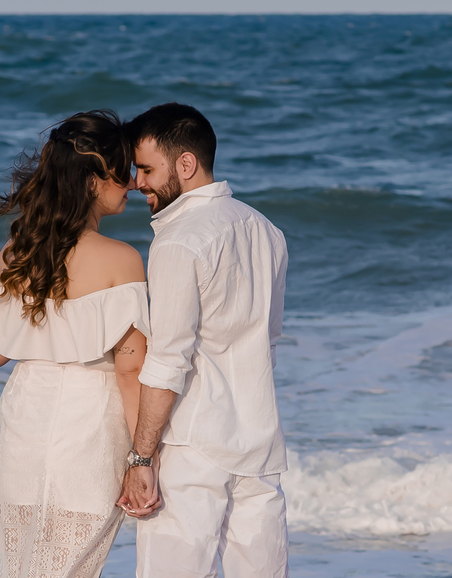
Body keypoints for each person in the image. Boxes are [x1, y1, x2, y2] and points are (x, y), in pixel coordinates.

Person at [0, 109, 150, 578]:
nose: (135, 183)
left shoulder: (19, 252)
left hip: (21, 422)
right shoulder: (123, 259)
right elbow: (130, 370)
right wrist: (144, 459)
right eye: (124, 171)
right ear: (95, 179)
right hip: (89, 432)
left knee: (10, 565)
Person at [119, 102, 289, 577]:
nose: (138, 182)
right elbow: (267, 340)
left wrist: (141, 459)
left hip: (193, 447)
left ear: (186, 164)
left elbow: (168, 361)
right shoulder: (267, 231)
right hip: (258, 439)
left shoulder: (178, 240)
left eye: (147, 169)